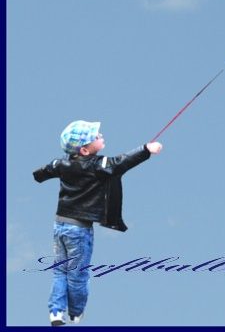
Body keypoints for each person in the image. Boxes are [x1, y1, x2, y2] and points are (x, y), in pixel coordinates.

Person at [33, 120, 163, 326]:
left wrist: (39, 175)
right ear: (84, 150)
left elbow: (44, 172)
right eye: (95, 136)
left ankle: (56, 313)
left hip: (60, 225)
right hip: (79, 229)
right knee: (77, 274)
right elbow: (121, 162)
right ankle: (75, 314)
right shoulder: (98, 166)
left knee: (60, 270)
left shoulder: (61, 164)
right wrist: (146, 149)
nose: (100, 134)